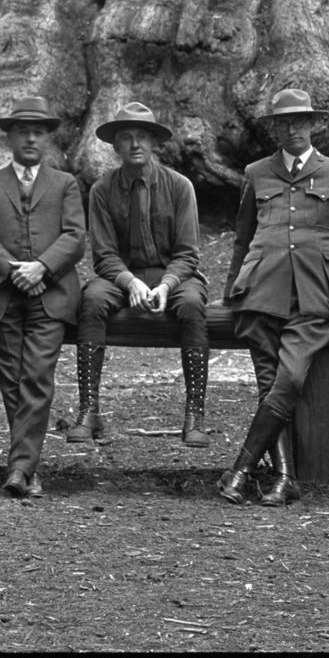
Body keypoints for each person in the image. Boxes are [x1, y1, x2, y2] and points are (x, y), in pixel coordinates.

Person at [217, 88, 329, 507]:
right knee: (270, 382)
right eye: (284, 122)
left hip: (314, 294)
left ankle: (240, 470)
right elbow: (243, 238)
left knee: (289, 379)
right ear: (275, 128)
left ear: (313, 124)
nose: (293, 128)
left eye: (300, 121)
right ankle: (284, 478)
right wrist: (230, 291)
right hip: (260, 291)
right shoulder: (256, 173)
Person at [0, 95, 87, 498]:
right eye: (23, 132)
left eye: (38, 132)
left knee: (36, 376)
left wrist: (43, 268)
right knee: (12, 380)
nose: (31, 138)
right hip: (1, 294)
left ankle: (19, 469)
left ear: (48, 138)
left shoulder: (65, 184)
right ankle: (27, 468)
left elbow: (74, 237)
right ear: (10, 138)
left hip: (50, 297)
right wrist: (15, 270)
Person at [70, 102, 210, 448]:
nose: (135, 145)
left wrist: (166, 285)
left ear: (154, 143)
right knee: (92, 298)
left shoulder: (180, 187)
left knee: (192, 303)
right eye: (127, 138)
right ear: (115, 147)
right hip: (122, 277)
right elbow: (103, 256)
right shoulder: (102, 190)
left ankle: (195, 415)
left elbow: (188, 254)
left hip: (172, 275)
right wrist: (129, 281)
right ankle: (89, 409)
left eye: (143, 137)